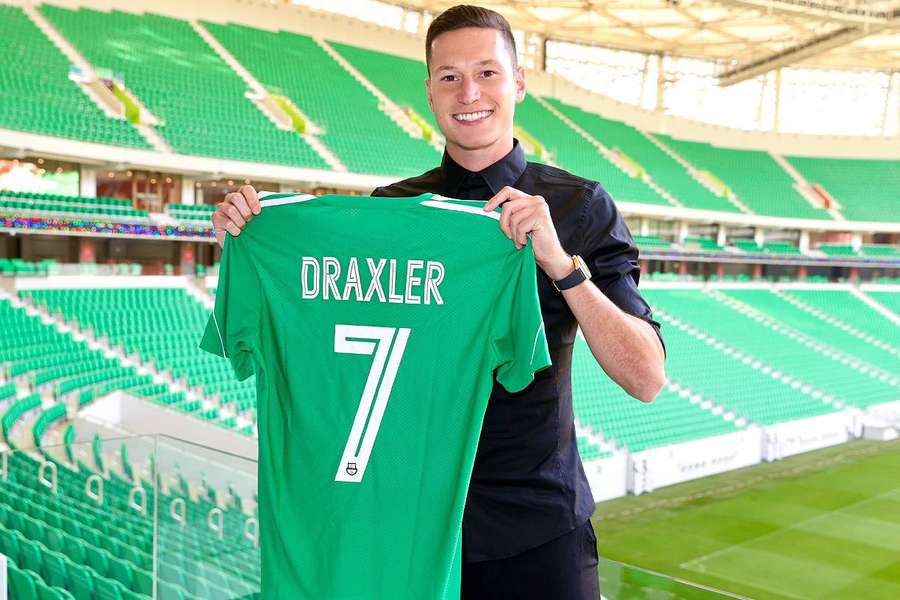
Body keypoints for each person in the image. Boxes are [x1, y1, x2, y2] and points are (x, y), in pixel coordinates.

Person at [211, 5, 666, 599]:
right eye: (449, 76)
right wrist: (255, 237)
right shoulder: (389, 210)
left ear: (519, 82)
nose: (468, 91)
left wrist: (561, 266)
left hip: (534, 529)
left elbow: (647, 377)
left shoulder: (579, 206)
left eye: (488, 72)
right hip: (408, 525)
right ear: (429, 91)